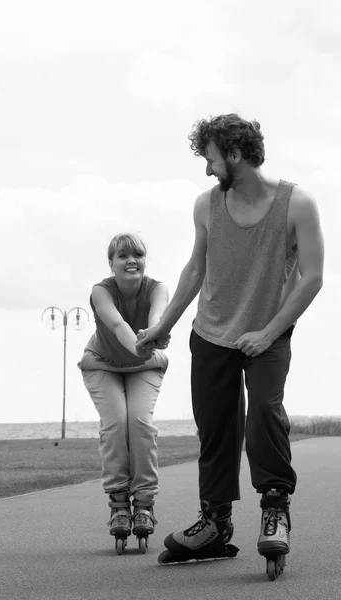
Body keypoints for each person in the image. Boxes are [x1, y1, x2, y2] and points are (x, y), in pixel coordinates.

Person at [136, 113, 324, 566]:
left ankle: (275, 509)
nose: (207, 169)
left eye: (211, 159)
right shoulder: (206, 205)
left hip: (269, 333)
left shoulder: (297, 204)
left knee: (263, 412)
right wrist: (162, 329)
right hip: (211, 335)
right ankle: (215, 523)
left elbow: (313, 277)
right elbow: (195, 270)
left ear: (236, 155)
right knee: (217, 428)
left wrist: (269, 332)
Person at [78, 233, 170, 552]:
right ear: (112, 264)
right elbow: (117, 326)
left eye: (138, 255)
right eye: (123, 256)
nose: (131, 260)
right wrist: (145, 345)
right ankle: (119, 505)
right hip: (103, 363)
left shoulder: (158, 289)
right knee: (116, 425)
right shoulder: (101, 291)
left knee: (140, 424)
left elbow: (158, 317)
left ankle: (143, 504)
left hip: (143, 366)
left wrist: (155, 333)